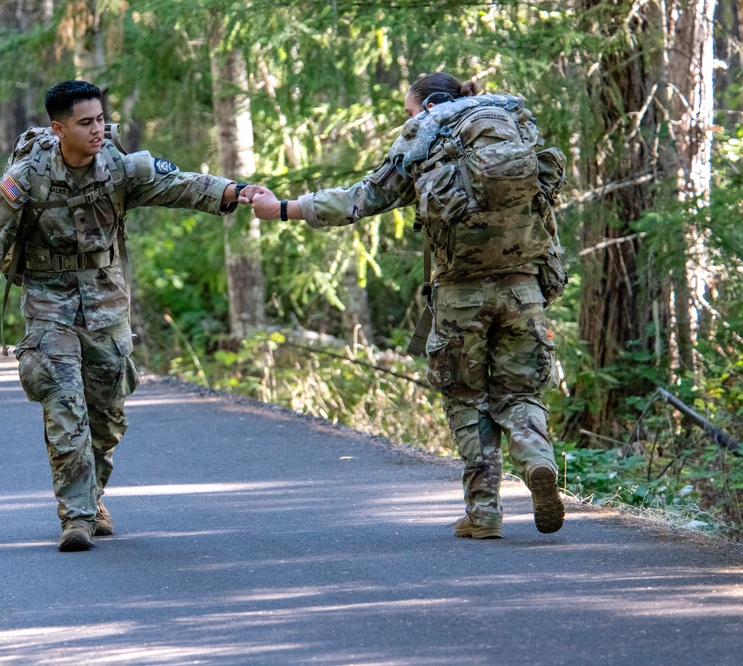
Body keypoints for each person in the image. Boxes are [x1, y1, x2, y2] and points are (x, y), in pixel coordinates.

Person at [243, 73, 566, 539]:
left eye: (411, 111)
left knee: (467, 399)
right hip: (524, 290)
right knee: (520, 394)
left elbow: (362, 198)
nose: (410, 120)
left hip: (460, 296)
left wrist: (286, 208)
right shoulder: (516, 130)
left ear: (430, 103)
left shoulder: (426, 143)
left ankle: (484, 513)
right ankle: (537, 460)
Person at [0, 80, 251, 551]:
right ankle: (75, 517)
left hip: (105, 300)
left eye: (100, 119)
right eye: (85, 122)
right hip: (48, 301)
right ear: (59, 129)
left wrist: (233, 192)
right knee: (64, 402)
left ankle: (92, 496)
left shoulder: (118, 167)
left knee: (108, 410)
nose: (98, 129)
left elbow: (177, 185)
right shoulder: (27, 176)